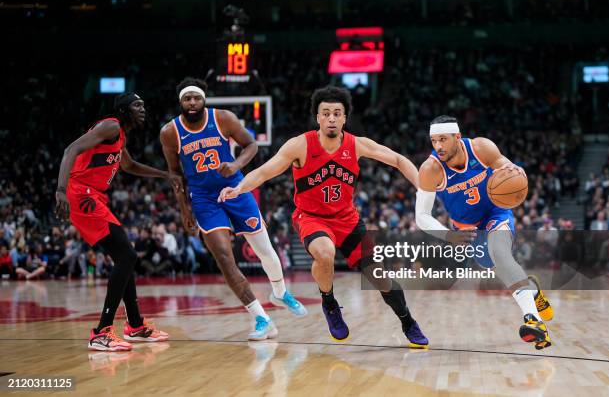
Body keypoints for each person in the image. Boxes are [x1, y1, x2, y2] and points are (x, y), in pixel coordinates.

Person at [219, 86, 429, 348]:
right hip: (311, 218)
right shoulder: (299, 145)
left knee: (380, 275)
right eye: (326, 113)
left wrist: (423, 188)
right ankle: (329, 302)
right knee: (325, 252)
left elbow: (398, 160)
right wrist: (239, 188)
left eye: (337, 113)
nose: (331, 118)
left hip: (348, 219)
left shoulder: (357, 144)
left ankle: (407, 320)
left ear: (344, 118)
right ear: (318, 117)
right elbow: (263, 172)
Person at [160, 77, 307, 341]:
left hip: (236, 190)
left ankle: (280, 292)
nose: (192, 103)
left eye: (196, 97)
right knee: (225, 260)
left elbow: (251, 145)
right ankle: (262, 318)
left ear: (204, 99)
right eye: (186, 99)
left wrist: (236, 165)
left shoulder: (223, 118)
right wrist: (184, 209)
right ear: (180, 102)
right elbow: (174, 175)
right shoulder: (170, 132)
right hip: (204, 199)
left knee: (265, 251)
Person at [414, 115, 554, 350]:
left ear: (457, 137)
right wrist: (448, 235)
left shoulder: (481, 148)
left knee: (499, 253)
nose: (438, 146)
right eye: (433, 140)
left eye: (443, 139)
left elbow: (513, 172)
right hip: (465, 228)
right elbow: (422, 216)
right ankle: (532, 290)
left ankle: (534, 321)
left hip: (496, 212)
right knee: (491, 263)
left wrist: (516, 177)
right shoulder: (430, 169)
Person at [55, 93, 174, 351]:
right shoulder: (110, 125)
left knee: (125, 256)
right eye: (137, 105)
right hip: (80, 193)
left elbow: (130, 166)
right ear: (123, 110)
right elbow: (70, 149)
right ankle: (101, 332)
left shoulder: (120, 136)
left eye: (144, 104)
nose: (143, 109)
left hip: (94, 196)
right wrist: (61, 190)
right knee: (127, 255)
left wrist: (165, 174)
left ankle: (135, 325)